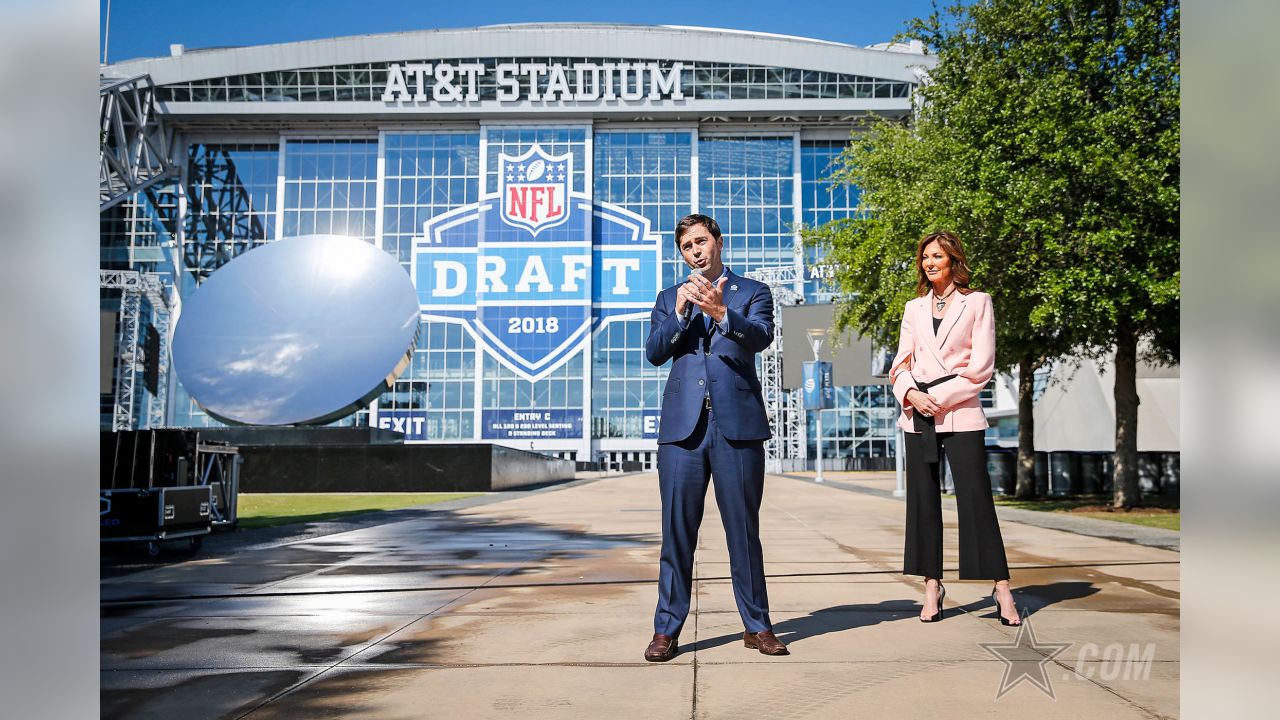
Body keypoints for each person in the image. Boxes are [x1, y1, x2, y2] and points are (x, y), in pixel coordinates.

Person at [641, 214, 788, 662]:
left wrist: (721, 313)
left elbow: (761, 337)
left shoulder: (753, 291)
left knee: (743, 531)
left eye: (701, 242)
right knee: (676, 533)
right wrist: (684, 312)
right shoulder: (669, 297)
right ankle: (667, 629)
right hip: (682, 432)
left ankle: (757, 626)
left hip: (736, 427)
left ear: (718, 242)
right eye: (687, 247)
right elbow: (654, 352)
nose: (696, 251)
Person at [888, 230, 1022, 626]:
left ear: (954, 261)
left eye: (937, 257)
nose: (929, 263)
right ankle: (932, 586)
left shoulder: (978, 303)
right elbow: (899, 364)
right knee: (923, 503)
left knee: (976, 500)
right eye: (925, 257)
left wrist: (939, 398)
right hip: (918, 415)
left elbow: (981, 367)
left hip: (960, 413)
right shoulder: (913, 309)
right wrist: (911, 395)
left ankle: (1000, 587)